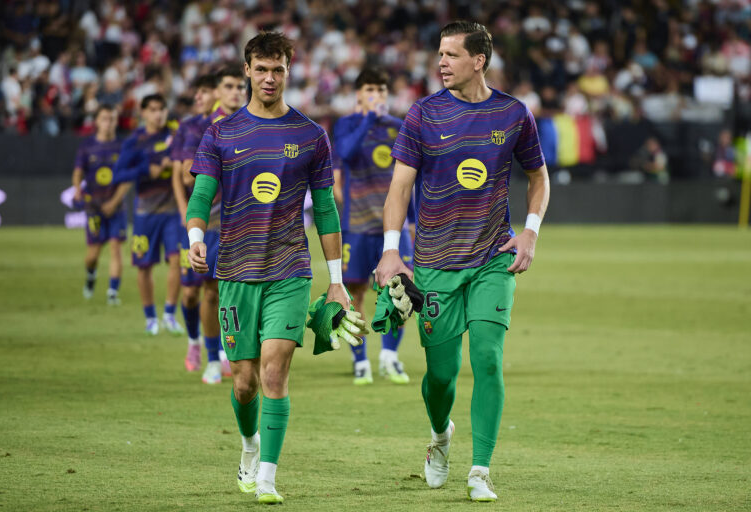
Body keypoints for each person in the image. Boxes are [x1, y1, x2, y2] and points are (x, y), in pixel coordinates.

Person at [375, 21, 550, 502]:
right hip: (434, 262)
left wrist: (530, 232)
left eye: (451, 54)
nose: (441, 62)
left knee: (488, 360)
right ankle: (439, 438)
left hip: (493, 258)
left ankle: (480, 469)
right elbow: (400, 187)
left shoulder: (514, 114)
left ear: (479, 60)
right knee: (440, 377)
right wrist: (392, 249)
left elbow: (538, 176)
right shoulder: (423, 114)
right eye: (440, 53)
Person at [186, 32, 349, 504]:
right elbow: (201, 195)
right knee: (244, 382)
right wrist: (197, 238)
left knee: (275, 373)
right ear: (247, 71)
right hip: (235, 270)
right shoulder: (221, 133)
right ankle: (249, 445)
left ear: (289, 71)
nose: (270, 78)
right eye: (261, 69)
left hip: (289, 270)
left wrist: (336, 282)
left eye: (278, 69)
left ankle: (268, 479)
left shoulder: (310, 135)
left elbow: (325, 211)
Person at [332, 67, 413, 385]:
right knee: (355, 293)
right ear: (358, 95)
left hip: (393, 228)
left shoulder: (399, 127)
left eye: (381, 90)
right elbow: (346, 153)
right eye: (369, 90)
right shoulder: (348, 124)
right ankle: (360, 359)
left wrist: (414, 222)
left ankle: (390, 357)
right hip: (356, 226)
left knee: (401, 291)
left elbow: (410, 179)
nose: (376, 96)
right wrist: (367, 118)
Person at [172, 67, 247, 384]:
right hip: (206, 223)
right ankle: (203, 349)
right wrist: (187, 215)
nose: (235, 92)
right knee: (200, 293)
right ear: (216, 91)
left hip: (241, 224)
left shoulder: (252, 125)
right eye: (228, 87)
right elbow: (187, 175)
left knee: (237, 294)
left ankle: (224, 354)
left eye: (240, 87)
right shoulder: (199, 128)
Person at [113, 93, 184, 335]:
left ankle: (169, 314)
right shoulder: (135, 141)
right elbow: (117, 175)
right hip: (145, 213)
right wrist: (146, 169)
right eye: (152, 109)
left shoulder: (175, 134)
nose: (158, 113)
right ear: (143, 113)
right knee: (144, 266)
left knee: (178, 261)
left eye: (161, 108)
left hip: (173, 211)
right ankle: (150, 318)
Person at [72, 104, 130, 305]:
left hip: (116, 208)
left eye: (112, 119)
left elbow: (127, 179)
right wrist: (77, 188)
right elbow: (78, 171)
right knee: (93, 254)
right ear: (96, 121)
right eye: (105, 118)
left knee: (116, 248)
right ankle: (91, 274)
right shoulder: (87, 146)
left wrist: (114, 202)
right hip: (94, 208)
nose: (108, 123)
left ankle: (112, 293)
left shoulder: (123, 147)